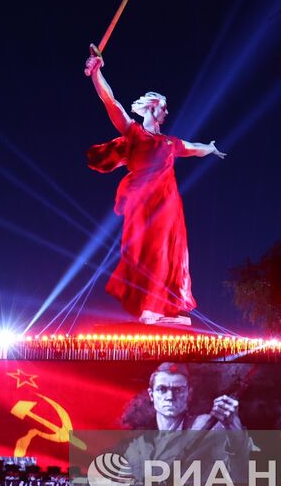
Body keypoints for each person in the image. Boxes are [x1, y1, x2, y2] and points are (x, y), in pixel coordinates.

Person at [84, 49, 225, 325]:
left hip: (169, 206)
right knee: (146, 252)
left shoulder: (170, 143)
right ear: (151, 107)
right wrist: (96, 73)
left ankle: (167, 307)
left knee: (170, 253)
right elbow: (110, 101)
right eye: (163, 106)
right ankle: (149, 304)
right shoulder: (134, 133)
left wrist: (209, 148)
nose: (167, 111)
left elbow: (192, 148)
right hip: (143, 204)